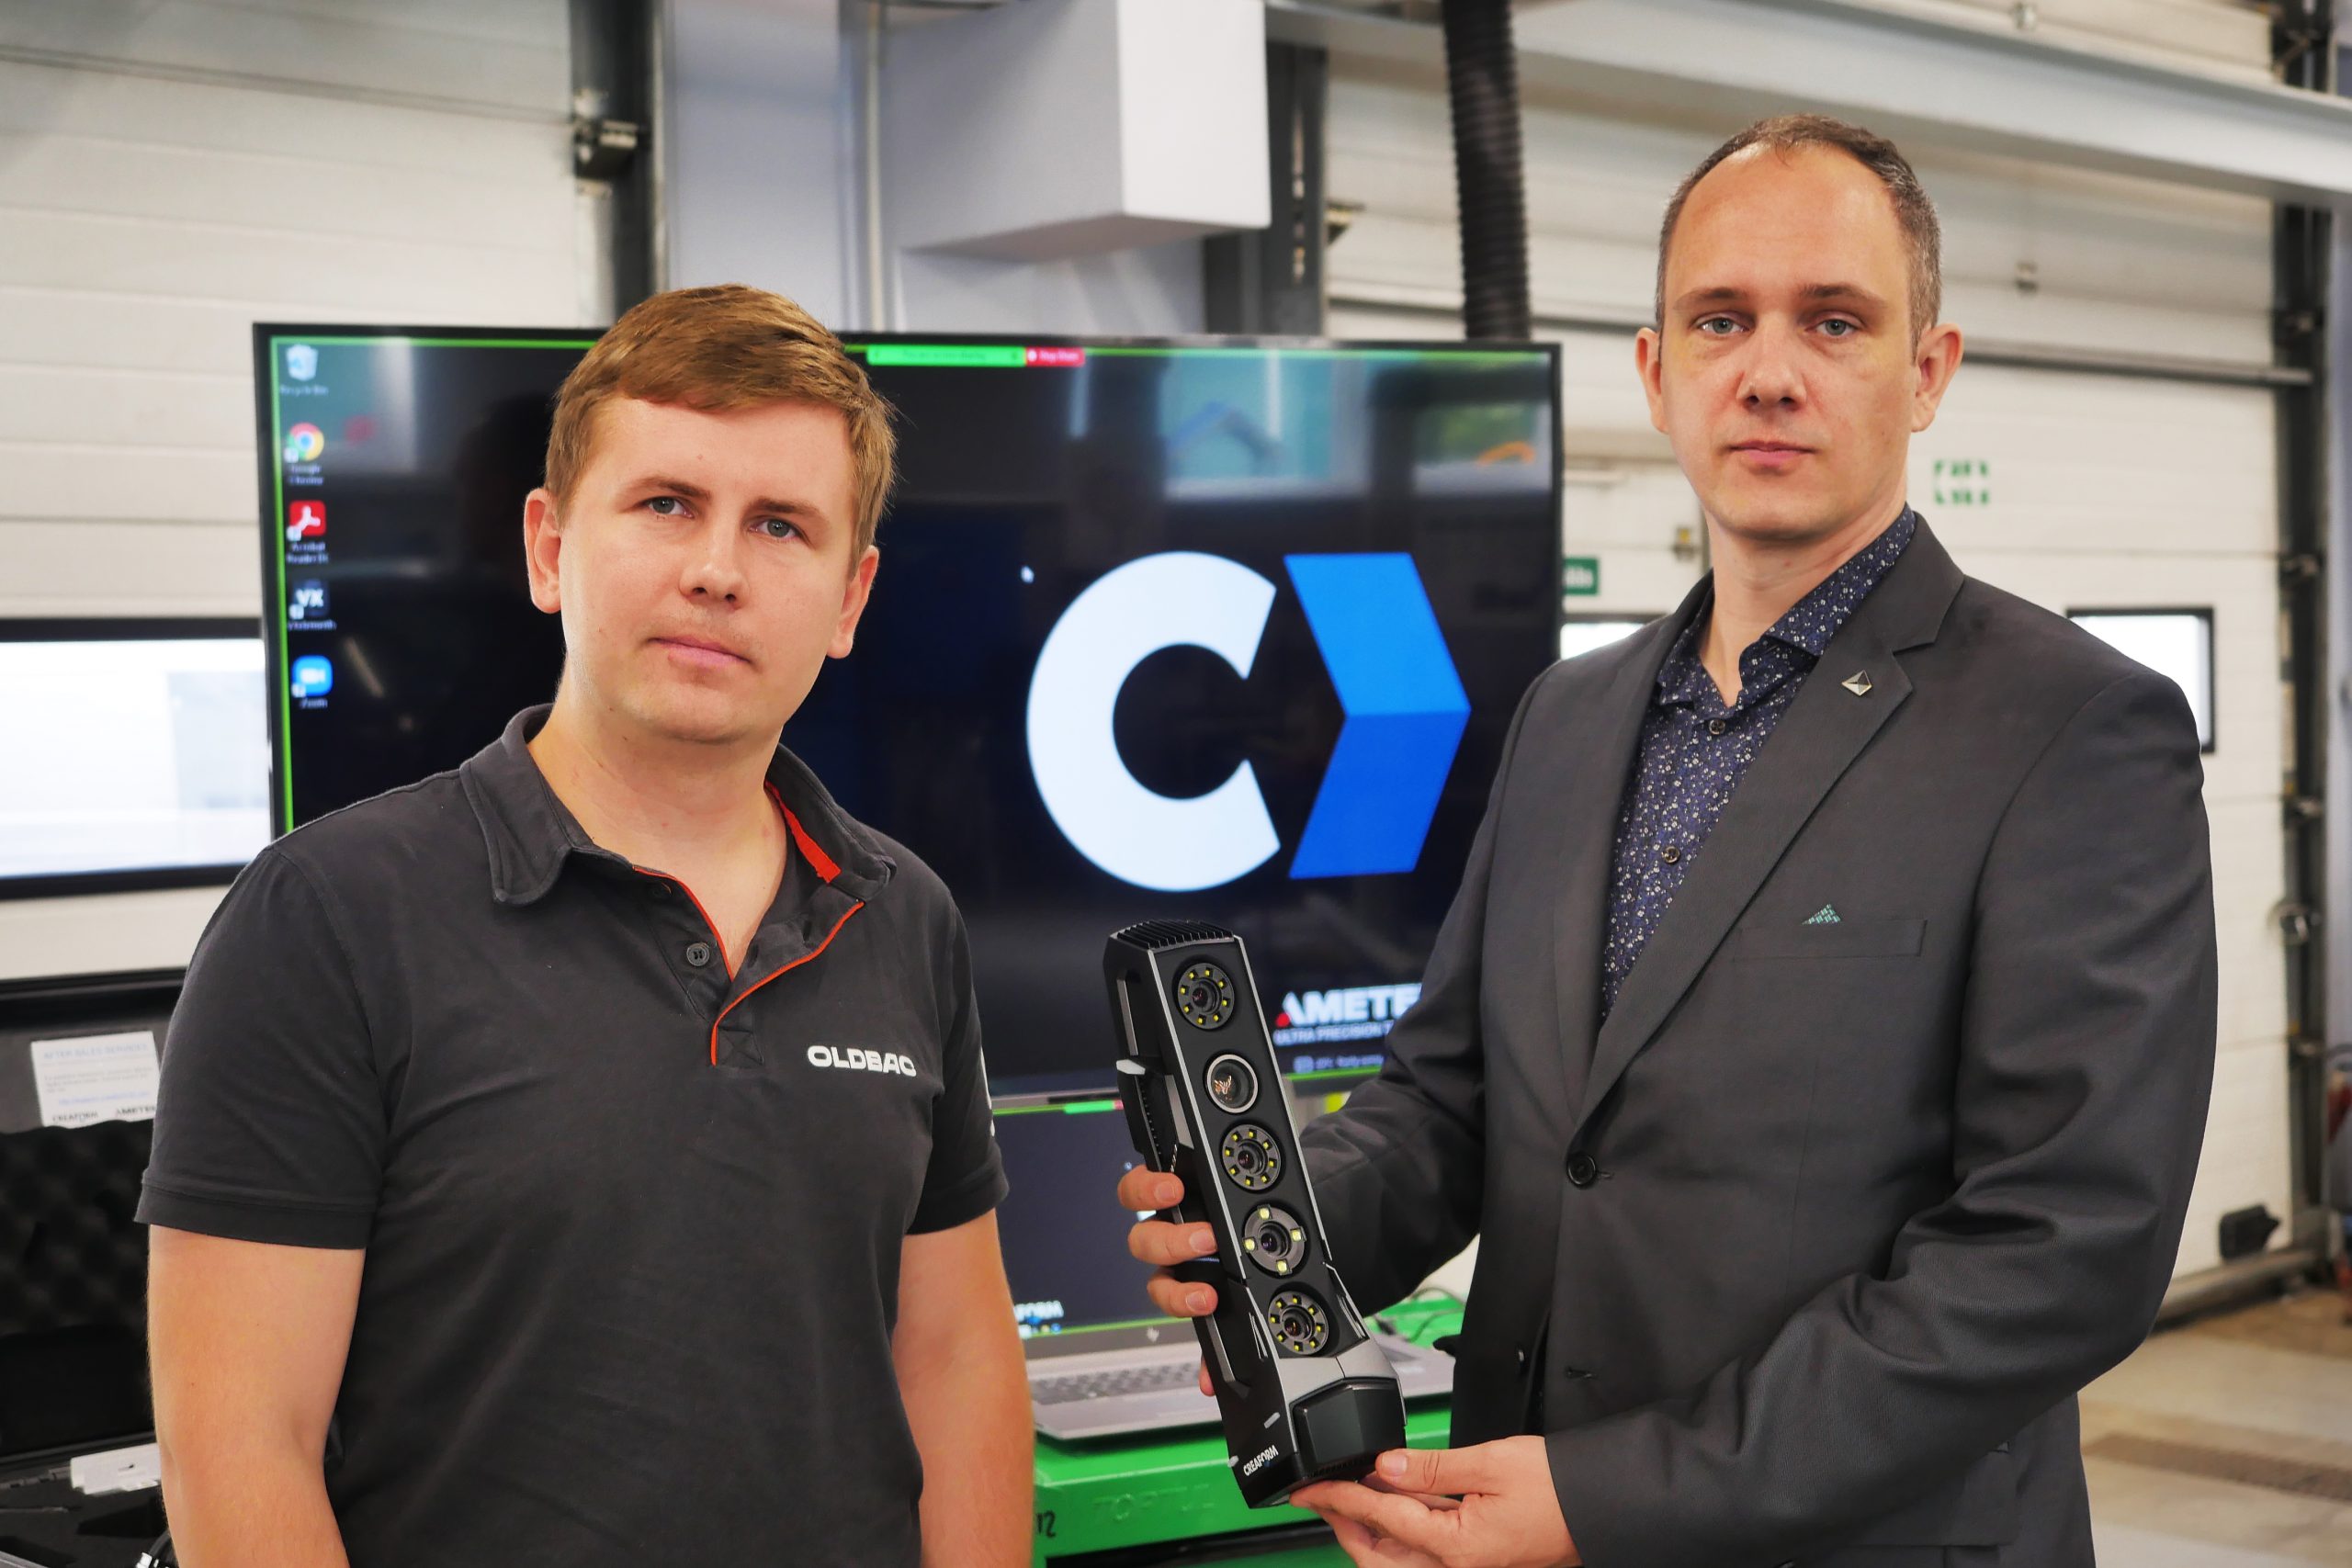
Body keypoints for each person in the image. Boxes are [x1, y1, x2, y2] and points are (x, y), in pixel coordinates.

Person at [1121, 115, 2217, 1568]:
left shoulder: (2071, 729)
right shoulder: (1568, 716)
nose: (1769, 372)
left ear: (1927, 372)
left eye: (1835, 321)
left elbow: (2060, 1250)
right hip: (1510, 1514)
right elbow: (1452, 1103)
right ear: (1654, 373)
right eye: (1720, 319)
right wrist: (1269, 1213)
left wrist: (1610, 1497)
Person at [141, 286, 1030, 1567]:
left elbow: (952, 1361)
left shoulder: (904, 914)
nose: (717, 570)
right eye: (666, 504)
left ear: (850, 600)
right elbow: (237, 1445)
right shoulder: (324, 917)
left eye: (780, 525)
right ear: (550, 548)